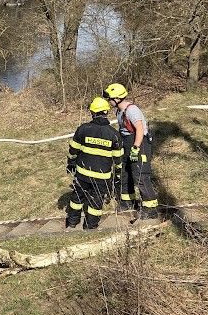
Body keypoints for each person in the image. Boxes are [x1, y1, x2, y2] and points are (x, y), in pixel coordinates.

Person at [65, 97, 124, 229]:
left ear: (93, 113)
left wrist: (70, 163)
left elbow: (73, 150)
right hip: (102, 177)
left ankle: (72, 223)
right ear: (106, 113)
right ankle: (91, 227)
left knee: (77, 198)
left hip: (82, 174)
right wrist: (118, 175)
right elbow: (118, 160)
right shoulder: (114, 134)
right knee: (96, 202)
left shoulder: (83, 129)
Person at [103, 83, 159, 220]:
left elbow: (139, 129)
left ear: (117, 98)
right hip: (127, 143)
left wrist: (136, 147)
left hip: (139, 144)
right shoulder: (119, 111)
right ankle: (127, 202)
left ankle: (150, 209)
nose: (108, 101)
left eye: (110, 98)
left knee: (140, 175)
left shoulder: (131, 110)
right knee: (125, 173)